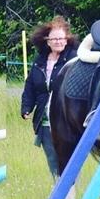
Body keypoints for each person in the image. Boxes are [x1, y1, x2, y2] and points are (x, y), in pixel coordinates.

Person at [20, 16, 78, 179]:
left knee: (68, 161)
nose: (58, 41)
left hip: (67, 120)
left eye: (61, 38)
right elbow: (30, 85)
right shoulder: (39, 61)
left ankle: (69, 190)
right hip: (44, 121)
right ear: (47, 41)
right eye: (55, 39)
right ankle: (59, 192)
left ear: (67, 40)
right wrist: (26, 107)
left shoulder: (74, 59)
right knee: (53, 161)